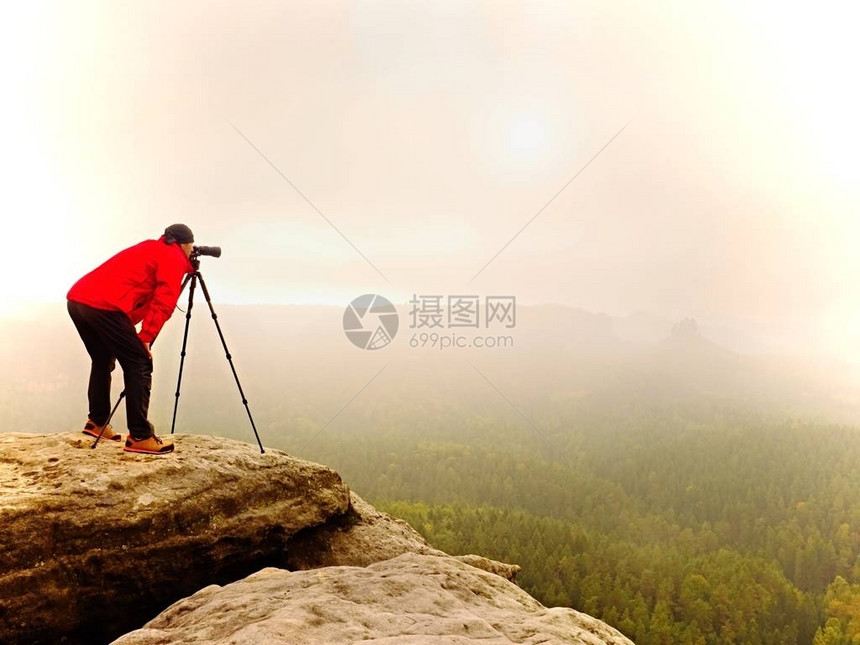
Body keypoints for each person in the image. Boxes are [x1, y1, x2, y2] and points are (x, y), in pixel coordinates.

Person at [67, 224, 195, 455]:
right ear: (185, 245)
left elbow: (135, 298)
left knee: (102, 358)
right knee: (139, 363)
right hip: (104, 307)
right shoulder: (173, 257)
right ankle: (139, 436)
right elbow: (164, 302)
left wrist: (135, 335)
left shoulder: (151, 247)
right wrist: (145, 337)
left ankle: (97, 422)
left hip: (79, 300)